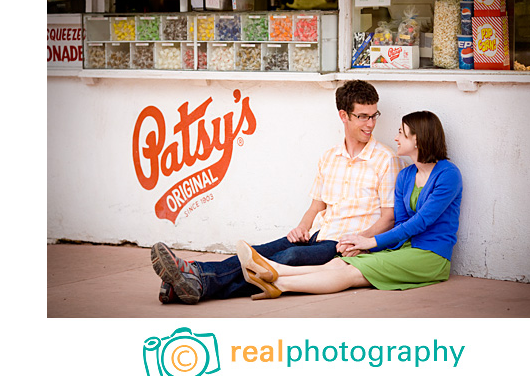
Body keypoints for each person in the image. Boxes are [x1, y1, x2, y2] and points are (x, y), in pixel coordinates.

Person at [151, 80, 405, 304]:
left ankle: (193, 278)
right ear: (343, 116)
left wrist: (360, 241)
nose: (370, 123)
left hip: (345, 244)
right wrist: (301, 228)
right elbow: (317, 206)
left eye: (373, 115)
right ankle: (191, 277)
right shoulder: (329, 157)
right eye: (362, 116)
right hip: (320, 234)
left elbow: (388, 218)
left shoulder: (385, 159)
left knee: (288, 257)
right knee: (257, 252)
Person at [235, 111, 463, 299]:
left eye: (402, 133)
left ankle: (280, 283)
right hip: (403, 249)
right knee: (339, 263)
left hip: (430, 256)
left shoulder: (448, 174)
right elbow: (401, 223)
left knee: (351, 273)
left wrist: (370, 241)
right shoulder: (405, 176)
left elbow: (420, 222)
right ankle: (274, 274)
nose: (396, 137)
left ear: (418, 139)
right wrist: (369, 247)